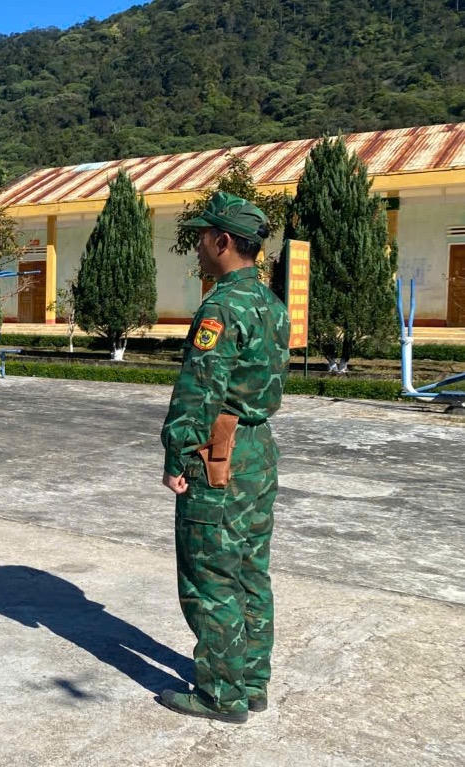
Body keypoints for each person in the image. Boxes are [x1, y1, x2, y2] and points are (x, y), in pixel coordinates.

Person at [159, 192, 290, 724]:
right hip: (258, 450)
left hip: (220, 452)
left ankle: (220, 693)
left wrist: (177, 455)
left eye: (203, 236)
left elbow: (200, 392)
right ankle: (251, 681)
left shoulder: (220, 307)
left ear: (223, 241)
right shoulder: (271, 305)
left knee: (210, 576)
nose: (198, 245)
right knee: (251, 570)